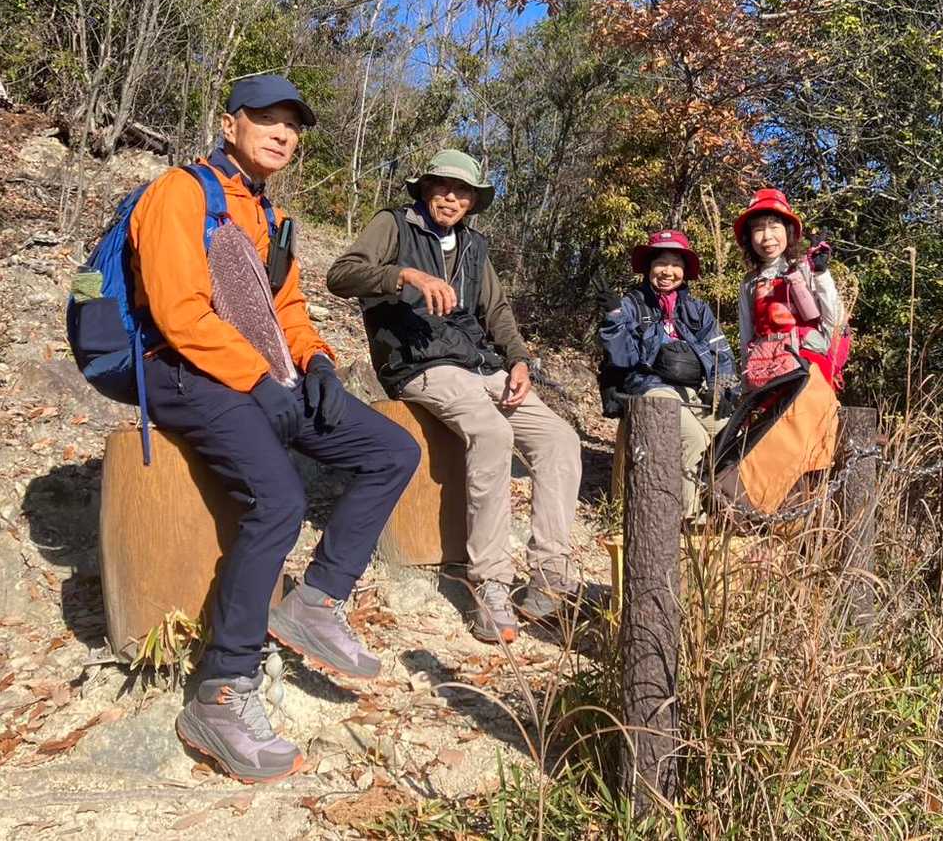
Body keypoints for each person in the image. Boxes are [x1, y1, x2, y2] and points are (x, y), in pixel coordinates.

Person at [129, 73, 419, 783]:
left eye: (292, 125)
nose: (282, 134)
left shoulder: (268, 215)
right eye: (266, 119)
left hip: (258, 369)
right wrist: (257, 377)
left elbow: (286, 309)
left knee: (390, 448)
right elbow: (178, 311)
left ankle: (317, 600)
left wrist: (316, 363)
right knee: (279, 499)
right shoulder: (179, 194)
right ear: (230, 123)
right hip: (179, 368)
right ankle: (222, 690)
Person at [325, 149, 583, 645]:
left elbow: (496, 310)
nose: (451, 198)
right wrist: (403, 275)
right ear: (425, 189)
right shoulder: (393, 225)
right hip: (417, 364)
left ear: (472, 202)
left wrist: (519, 359)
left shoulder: (473, 246)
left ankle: (549, 578)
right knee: (492, 432)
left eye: (462, 191)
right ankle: (490, 584)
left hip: (478, 363)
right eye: (442, 187)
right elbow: (341, 274)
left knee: (558, 439)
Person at [597, 229, 737, 518]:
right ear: (648, 267)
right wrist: (614, 319)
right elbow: (623, 357)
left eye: (676, 264)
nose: (668, 271)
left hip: (694, 389)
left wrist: (722, 389)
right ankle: (689, 519)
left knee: (729, 432)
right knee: (693, 438)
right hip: (648, 385)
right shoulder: (632, 305)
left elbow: (721, 353)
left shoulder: (697, 309)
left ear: (685, 271)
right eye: (661, 262)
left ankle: (723, 509)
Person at [733, 188, 845, 389]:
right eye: (758, 229)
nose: (767, 236)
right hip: (765, 367)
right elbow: (746, 334)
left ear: (788, 230)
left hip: (807, 361)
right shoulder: (750, 282)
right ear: (749, 237)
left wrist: (821, 274)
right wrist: (746, 387)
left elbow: (834, 318)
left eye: (774, 226)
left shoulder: (806, 267)